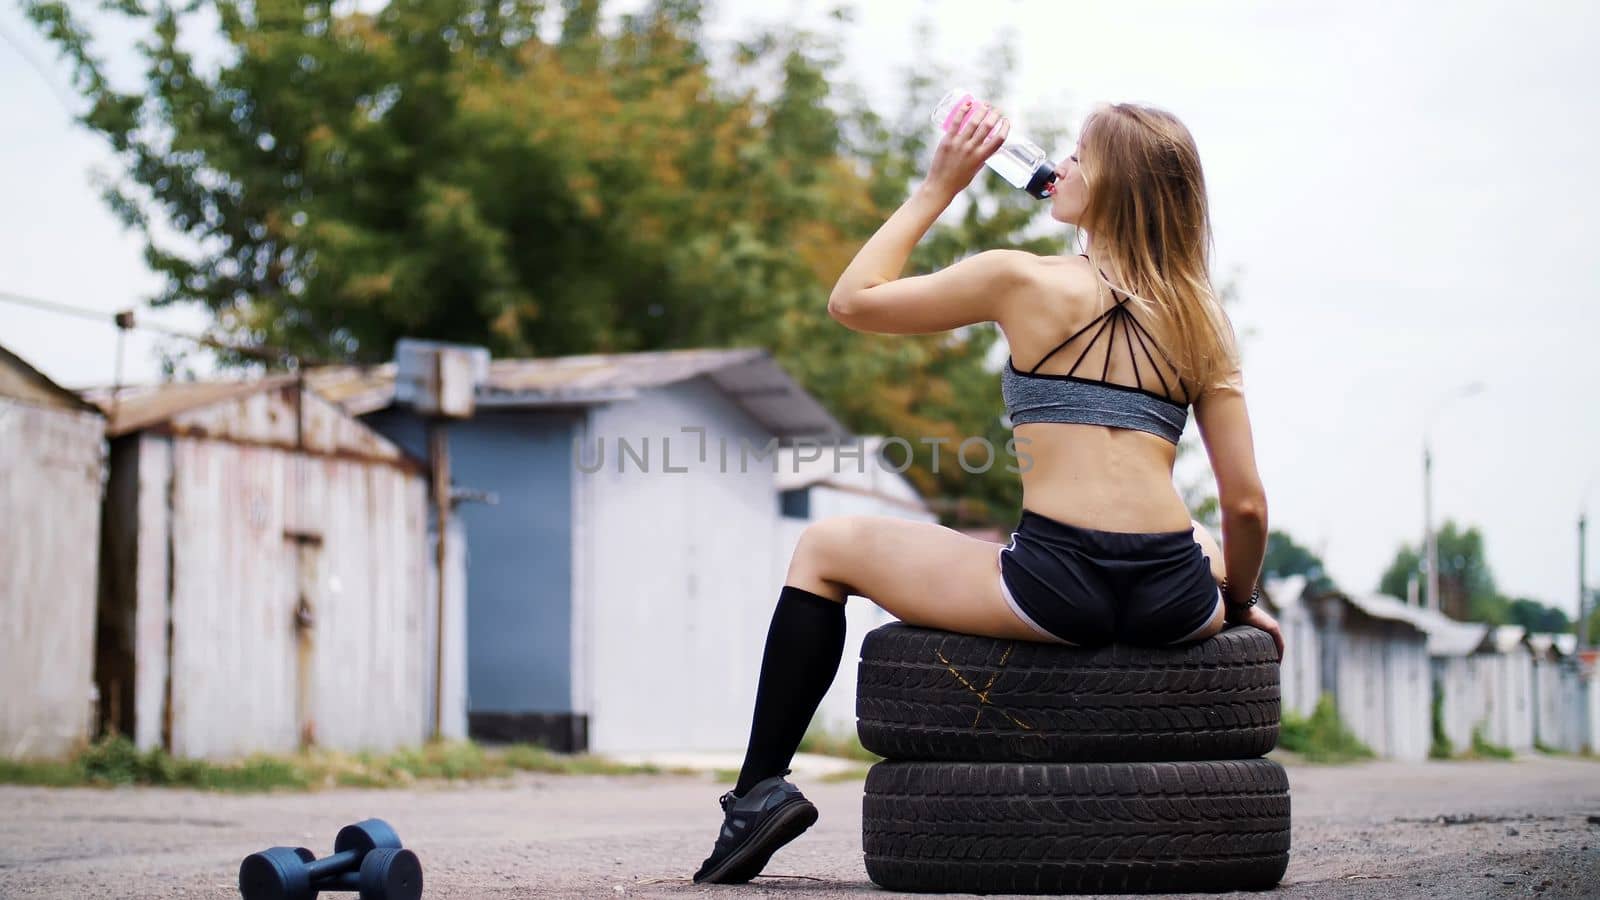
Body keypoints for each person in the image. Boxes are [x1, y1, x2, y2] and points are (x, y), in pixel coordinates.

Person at [691, 99, 1284, 886]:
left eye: (1080, 156)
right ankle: (1213, 580)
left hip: (1055, 584)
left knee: (826, 548)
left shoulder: (1020, 279)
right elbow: (1246, 507)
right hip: (1173, 596)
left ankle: (759, 791)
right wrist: (1239, 604)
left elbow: (853, 301)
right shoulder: (1203, 316)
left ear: (1115, 186)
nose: (1061, 167)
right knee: (1207, 537)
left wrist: (940, 186)